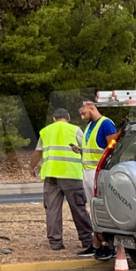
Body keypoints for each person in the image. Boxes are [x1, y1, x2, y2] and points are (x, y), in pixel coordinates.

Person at [29, 108, 94, 257]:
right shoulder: (75, 129)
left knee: (52, 209)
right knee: (78, 208)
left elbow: (37, 152)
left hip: (51, 176)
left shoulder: (45, 131)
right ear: (68, 118)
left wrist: (31, 167)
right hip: (72, 175)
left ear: (53, 118)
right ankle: (86, 240)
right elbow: (86, 149)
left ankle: (55, 243)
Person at [78, 99, 117, 261]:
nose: (82, 117)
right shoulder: (90, 125)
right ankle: (96, 243)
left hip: (99, 172)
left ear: (92, 108)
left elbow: (112, 148)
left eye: (83, 113)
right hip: (88, 171)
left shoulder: (106, 124)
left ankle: (108, 244)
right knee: (94, 209)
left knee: (103, 209)